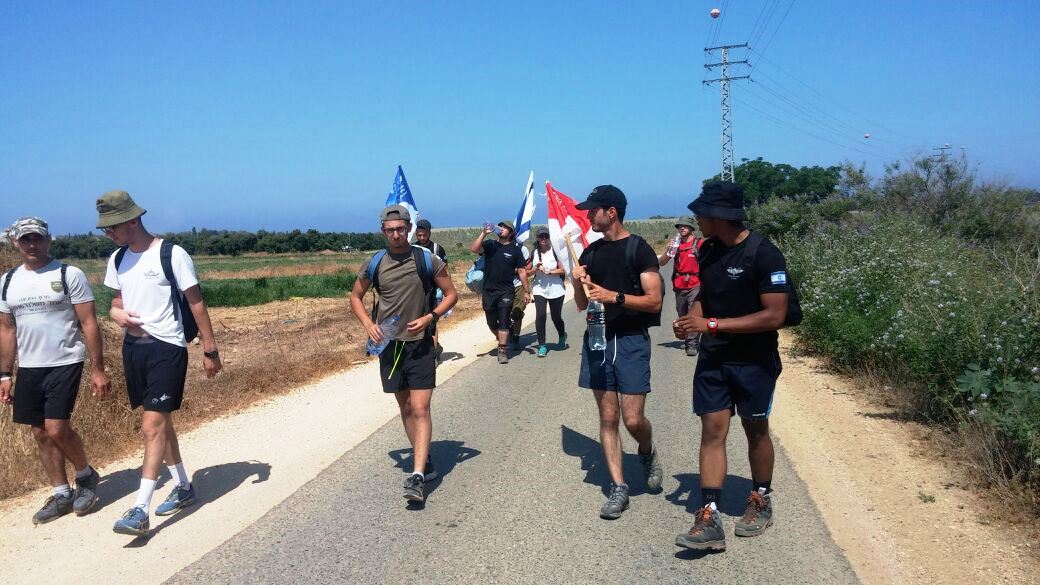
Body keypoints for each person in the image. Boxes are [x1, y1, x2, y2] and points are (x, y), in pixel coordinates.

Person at [97, 190, 223, 536]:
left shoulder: (172, 254)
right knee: (160, 420)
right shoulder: (118, 258)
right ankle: (184, 485)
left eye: (112, 227)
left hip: (167, 349)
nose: (108, 233)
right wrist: (118, 314)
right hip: (134, 350)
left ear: (133, 220)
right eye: (105, 229)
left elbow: (196, 303)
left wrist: (209, 350)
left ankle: (140, 509)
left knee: (151, 425)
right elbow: (115, 303)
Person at [672, 181, 790, 551]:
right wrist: (691, 319)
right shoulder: (708, 251)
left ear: (720, 216)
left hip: (754, 358)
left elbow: (775, 315)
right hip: (714, 356)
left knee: (755, 428)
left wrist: (711, 326)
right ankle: (709, 515)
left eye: (701, 213)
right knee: (712, 429)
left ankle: (760, 497)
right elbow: (705, 299)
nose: (696, 218)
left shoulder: (765, 254)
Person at [0, 217, 110, 525]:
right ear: (16, 243)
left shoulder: (67, 274)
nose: (32, 245)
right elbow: (7, 329)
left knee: (57, 427)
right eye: (26, 240)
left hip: (65, 361)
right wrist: (5, 374)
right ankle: (62, 493)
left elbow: (89, 323)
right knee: (39, 432)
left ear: (49, 240)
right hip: (30, 367)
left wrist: (98, 368)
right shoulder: (8, 281)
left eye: (37, 239)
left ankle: (86, 476)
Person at [350, 205, 457, 504]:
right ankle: (425, 460)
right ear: (382, 231)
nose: (396, 234)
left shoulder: (426, 259)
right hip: (389, 345)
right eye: (390, 230)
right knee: (406, 407)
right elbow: (355, 296)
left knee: (421, 408)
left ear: (409, 228)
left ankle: (418, 474)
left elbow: (451, 294)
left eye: (400, 229)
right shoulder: (375, 262)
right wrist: (369, 324)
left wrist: (430, 318)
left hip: (420, 343)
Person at [571, 185, 664, 519]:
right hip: (597, 338)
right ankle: (619, 487)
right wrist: (575, 281)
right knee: (608, 417)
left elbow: (655, 301)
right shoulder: (590, 254)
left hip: (630, 339)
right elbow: (583, 305)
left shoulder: (639, 250)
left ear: (611, 212)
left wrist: (617, 297)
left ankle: (646, 448)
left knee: (633, 419)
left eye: (593, 210)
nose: (587, 215)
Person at [469, 220, 530, 364]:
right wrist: (484, 233)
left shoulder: (515, 250)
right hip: (489, 290)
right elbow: (474, 249)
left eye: (505, 228)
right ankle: (504, 335)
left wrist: (527, 291)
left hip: (506, 291)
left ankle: (502, 349)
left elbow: (522, 271)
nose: (501, 229)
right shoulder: (490, 245)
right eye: (500, 226)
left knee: (503, 318)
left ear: (511, 232)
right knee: (491, 321)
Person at [658, 216, 704, 356]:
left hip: (695, 283)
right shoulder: (676, 245)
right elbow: (662, 263)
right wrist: (669, 249)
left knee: (692, 312)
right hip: (679, 284)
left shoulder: (699, 244)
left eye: (685, 226)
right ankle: (688, 336)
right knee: (682, 312)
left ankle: (691, 343)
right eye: (680, 226)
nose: (682, 228)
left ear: (691, 228)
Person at [414, 219, 448, 362]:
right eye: (419, 235)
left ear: (429, 233)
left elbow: (445, 270)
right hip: (415, 292)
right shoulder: (412, 248)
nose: (422, 238)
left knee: (431, 322)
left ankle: (431, 357)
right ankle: (435, 347)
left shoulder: (437, 249)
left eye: (424, 235)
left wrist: (447, 292)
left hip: (433, 291)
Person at [530, 226, 566, 357]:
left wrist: (550, 272)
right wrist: (535, 269)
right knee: (540, 316)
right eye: (541, 236)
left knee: (556, 317)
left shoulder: (555, 252)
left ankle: (562, 335)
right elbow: (526, 271)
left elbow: (564, 270)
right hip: (539, 288)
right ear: (537, 238)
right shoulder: (534, 253)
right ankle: (542, 345)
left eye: (546, 236)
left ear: (549, 238)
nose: (543, 239)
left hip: (556, 289)